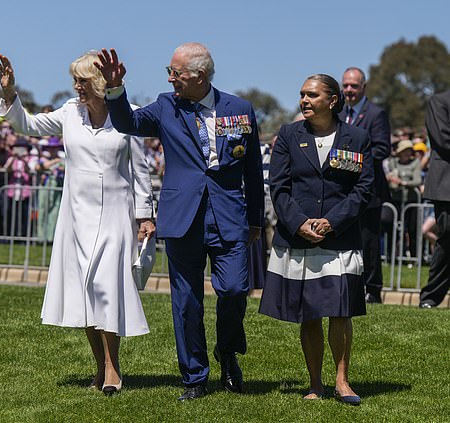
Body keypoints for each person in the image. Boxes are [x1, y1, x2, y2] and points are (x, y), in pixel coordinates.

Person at [95, 43, 264, 401]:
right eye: (169, 72)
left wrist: (255, 220)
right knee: (186, 301)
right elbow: (128, 122)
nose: (171, 78)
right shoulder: (166, 105)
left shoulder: (240, 109)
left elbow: (251, 170)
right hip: (183, 217)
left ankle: (228, 351)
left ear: (199, 76)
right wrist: (115, 90)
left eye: (177, 73)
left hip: (229, 217)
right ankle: (194, 377)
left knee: (234, 290)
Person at [0, 52, 155, 395]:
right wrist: (9, 94)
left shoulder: (129, 116)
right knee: (86, 292)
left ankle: (113, 369)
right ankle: (100, 368)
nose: (76, 86)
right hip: (76, 215)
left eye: (82, 80)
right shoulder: (69, 112)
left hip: (116, 214)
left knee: (107, 288)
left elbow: (141, 171)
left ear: (99, 83)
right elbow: (28, 125)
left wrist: (145, 215)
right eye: (75, 80)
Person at [259, 74, 373, 404]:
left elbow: (363, 189)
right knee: (308, 312)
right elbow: (278, 186)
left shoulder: (357, 137)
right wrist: (299, 223)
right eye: (302, 95)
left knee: (340, 311)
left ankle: (342, 381)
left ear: (333, 100)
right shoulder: (289, 135)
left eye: (312, 95)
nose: (304, 100)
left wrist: (331, 222)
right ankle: (314, 383)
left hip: (339, 238)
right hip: (299, 238)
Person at [340, 67, 391, 303]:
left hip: (369, 190)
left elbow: (382, 148)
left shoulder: (376, 114)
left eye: (354, 86)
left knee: (369, 242)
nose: (349, 90)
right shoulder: (337, 112)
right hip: (341, 191)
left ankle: (372, 289)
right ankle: (346, 285)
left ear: (364, 87)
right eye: (346, 85)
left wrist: (351, 157)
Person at [419, 90, 450, 308]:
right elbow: (442, 138)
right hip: (447, 185)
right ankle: (431, 296)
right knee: (447, 239)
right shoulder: (439, 101)